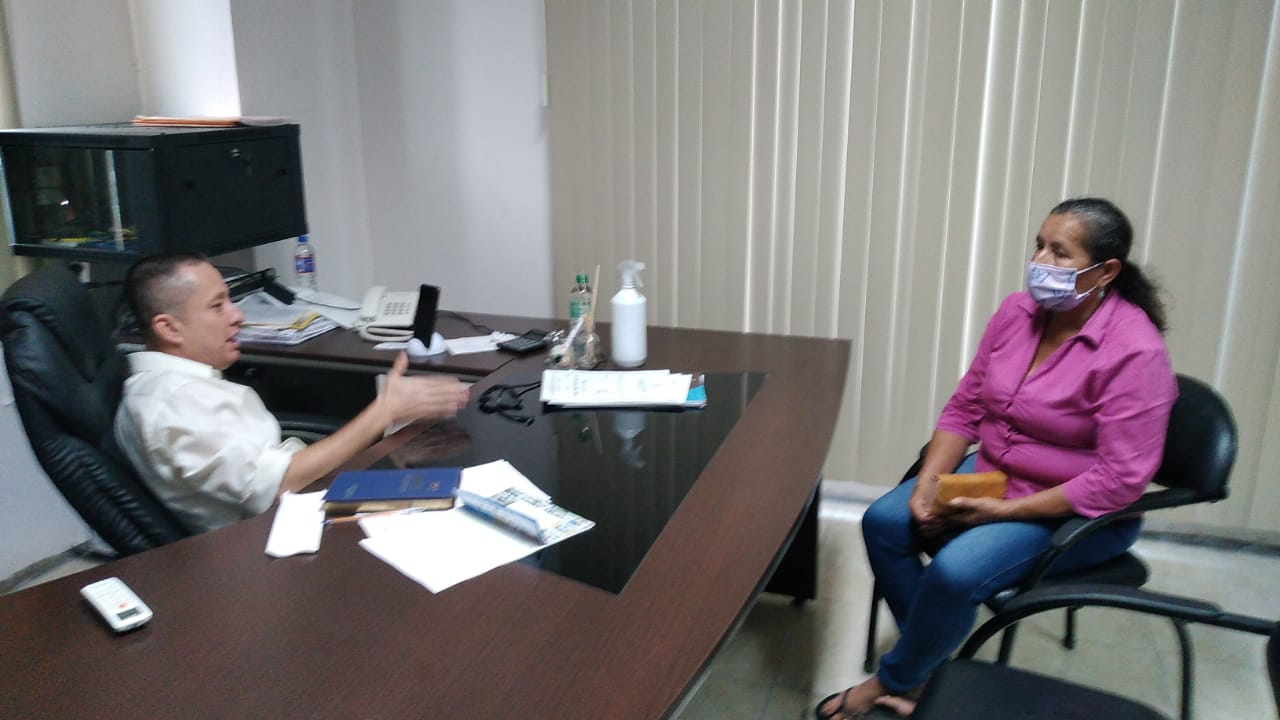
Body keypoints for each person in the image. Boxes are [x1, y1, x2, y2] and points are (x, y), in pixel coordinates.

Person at [817, 198, 1178, 719]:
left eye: (1060, 253)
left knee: (954, 572)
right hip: (994, 475)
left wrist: (1003, 513)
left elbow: (1121, 480)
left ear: (1106, 271)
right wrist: (929, 481)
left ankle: (891, 682)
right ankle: (928, 671)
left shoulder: (1135, 352)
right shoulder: (1017, 313)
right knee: (885, 521)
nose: (1041, 262)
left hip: (1074, 508)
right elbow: (966, 407)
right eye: (1039, 246)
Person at [114, 253, 470, 534]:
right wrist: (383, 412)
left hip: (298, 498)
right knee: (451, 514)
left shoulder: (175, 385)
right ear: (169, 328)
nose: (237, 316)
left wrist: (386, 436)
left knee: (447, 488)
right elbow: (279, 485)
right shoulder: (174, 403)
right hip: (271, 536)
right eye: (216, 305)